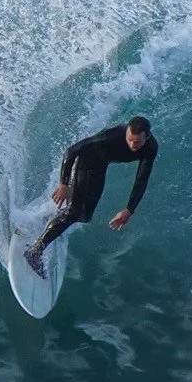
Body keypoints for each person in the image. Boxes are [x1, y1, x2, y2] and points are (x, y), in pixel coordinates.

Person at [24, 115, 158, 272]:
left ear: (147, 137)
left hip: (100, 166)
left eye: (138, 142)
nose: (132, 145)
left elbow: (141, 179)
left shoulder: (150, 148)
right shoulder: (113, 135)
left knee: (84, 216)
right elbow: (72, 150)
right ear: (126, 132)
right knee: (74, 212)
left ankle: (54, 221)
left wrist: (129, 209)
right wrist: (64, 184)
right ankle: (35, 250)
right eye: (129, 139)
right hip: (85, 161)